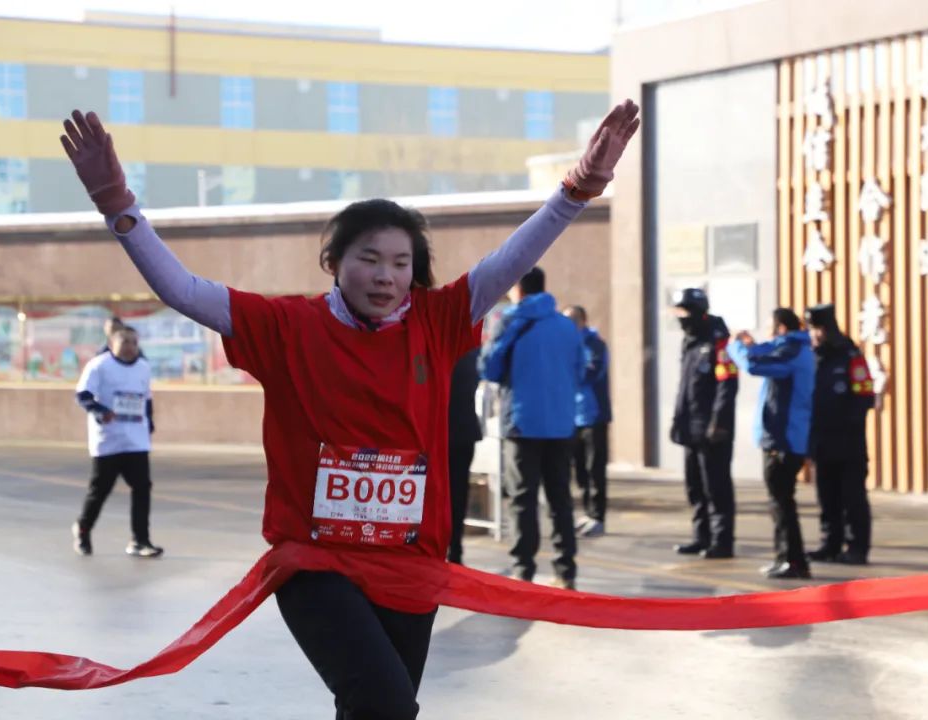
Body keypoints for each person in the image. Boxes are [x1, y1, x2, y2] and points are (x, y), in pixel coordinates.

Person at [59, 101, 638, 718]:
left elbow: (513, 259)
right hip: (316, 561)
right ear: (333, 263)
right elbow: (182, 289)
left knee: (374, 712)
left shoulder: (438, 322)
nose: (386, 276)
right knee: (385, 704)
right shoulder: (285, 326)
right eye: (369, 258)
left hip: (412, 566)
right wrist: (116, 202)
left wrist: (580, 188)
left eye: (400, 263)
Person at [479, 267, 583, 590]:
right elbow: (579, 371)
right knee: (560, 499)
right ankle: (566, 571)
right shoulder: (567, 327)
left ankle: (523, 569)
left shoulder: (510, 322)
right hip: (561, 423)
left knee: (522, 500)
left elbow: (490, 369)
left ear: (518, 289)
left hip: (522, 423)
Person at [728, 308, 814, 580]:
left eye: (769, 326)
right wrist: (748, 345)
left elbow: (755, 365)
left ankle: (793, 560)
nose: (766, 332)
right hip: (781, 436)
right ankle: (785, 557)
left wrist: (736, 348)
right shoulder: (791, 346)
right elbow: (763, 352)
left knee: (781, 501)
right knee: (779, 501)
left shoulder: (792, 351)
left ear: (781, 328)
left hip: (785, 438)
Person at [72, 325, 162, 558]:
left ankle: (140, 540)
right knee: (100, 490)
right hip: (108, 440)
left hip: (136, 440)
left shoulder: (143, 367)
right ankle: (83, 529)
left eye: (134, 342)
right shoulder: (99, 365)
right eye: (125, 342)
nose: (131, 347)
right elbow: (82, 395)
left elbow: (147, 399)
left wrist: (149, 423)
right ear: (113, 344)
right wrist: (102, 411)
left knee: (142, 488)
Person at [668, 288, 738, 559]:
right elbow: (685, 388)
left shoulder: (719, 343)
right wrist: (678, 420)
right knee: (695, 487)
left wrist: (718, 423)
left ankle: (722, 541)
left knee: (716, 487)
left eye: (684, 312)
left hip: (712, 430)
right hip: (691, 427)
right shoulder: (690, 341)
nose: (681, 318)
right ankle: (701, 537)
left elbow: (726, 386)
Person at [804, 304, 875, 565]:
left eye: (818, 329)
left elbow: (865, 393)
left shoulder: (849, 354)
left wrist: (849, 422)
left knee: (852, 496)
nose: (815, 334)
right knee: (826, 496)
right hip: (821, 439)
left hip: (848, 440)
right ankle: (830, 543)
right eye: (812, 329)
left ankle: (857, 546)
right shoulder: (811, 356)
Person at [562, 305, 612, 538]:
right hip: (573, 417)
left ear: (582, 320)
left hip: (593, 416)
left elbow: (590, 373)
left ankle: (598, 516)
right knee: (580, 469)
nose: (568, 324)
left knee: (595, 468)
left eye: (572, 319)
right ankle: (587, 512)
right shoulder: (566, 343)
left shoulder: (594, 344)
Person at [447, 348, 482, 565]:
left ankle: (444, 548)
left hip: (437, 433)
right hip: (463, 431)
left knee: (433, 497)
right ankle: (456, 551)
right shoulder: (470, 352)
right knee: (458, 495)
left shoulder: (433, 348)